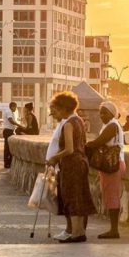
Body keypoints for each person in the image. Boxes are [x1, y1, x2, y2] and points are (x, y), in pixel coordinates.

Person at [45, 91, 95, 243]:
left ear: (63, 108)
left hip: (71, 164)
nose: (54, 113)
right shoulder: (78, 121)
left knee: (71, 198)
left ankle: (76, 233)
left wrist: (54, 158)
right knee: (79, 197)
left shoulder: (67, 124)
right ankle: (79, 231)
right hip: (81, 162)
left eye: (56, 109)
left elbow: (69, 149)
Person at [85, 101, 125, 239]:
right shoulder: (109, 125)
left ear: (112, 113)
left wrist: (85, 146)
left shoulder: (112, 125)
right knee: (109, 194)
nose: (101, 115)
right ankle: (113, 229)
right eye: (100, 112)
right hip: (110, 164)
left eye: (104, 112)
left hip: (113, 163)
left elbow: (98, 142)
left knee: (112, 195)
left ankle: (114, 230)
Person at [2, 101, 19, 168]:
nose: (15, 109)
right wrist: (18, 125)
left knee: (8, 148)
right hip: (8, 131)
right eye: (15, 107)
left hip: (9, 130)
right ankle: (7, 163)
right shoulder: (9, 111)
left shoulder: (10, 112)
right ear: (12, 106)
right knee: (8, 148)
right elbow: (10, 120)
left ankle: (8, 162)